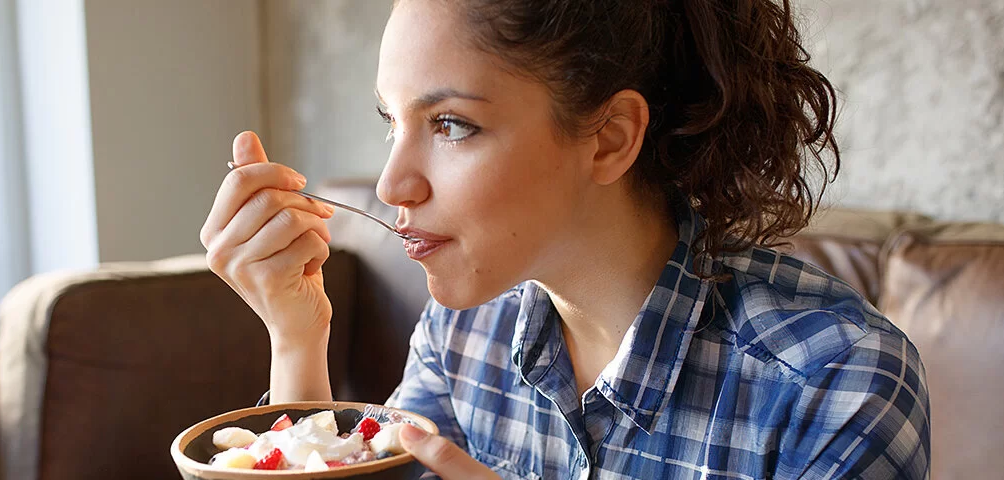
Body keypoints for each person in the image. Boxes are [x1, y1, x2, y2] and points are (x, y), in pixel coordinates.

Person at [200, 0, 930, 478]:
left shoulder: (837, 385)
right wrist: (297, 339)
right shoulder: (461, 335)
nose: (394, 184)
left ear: (610, 139)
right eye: (393, 121)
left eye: (451, 124)